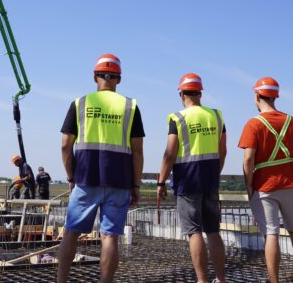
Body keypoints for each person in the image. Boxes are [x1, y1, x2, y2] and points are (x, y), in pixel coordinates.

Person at [57, 53, 145, 283]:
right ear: (119, 79)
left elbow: (66, 146)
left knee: (71, 233)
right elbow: (137, 152)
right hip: (119, 181)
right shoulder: (130, 106)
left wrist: (71, 176)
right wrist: (136, 185)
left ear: (95, 76)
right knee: (110, 238)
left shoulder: (80, 103)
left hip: (86, 179)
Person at [157, 73, 227, 283]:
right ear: (200, 93)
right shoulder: (216, 115)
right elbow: (222, 152)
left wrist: (161, 182)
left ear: (182, 94)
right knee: (213, 231)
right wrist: (215, 173)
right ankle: (221, 280)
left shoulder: (177, 118)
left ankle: (202, 280)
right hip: (210, 180)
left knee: (194, 232)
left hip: (187, 181)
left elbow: (170, 153)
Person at [238, 77, 293, 283]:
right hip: (291, 184)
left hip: (265, 187)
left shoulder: (254, 124)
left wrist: (249, 185)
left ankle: (274, 280)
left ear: (257, 96)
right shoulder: (290, 121)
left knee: (271, 233)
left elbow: (248, 159)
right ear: (275, 96)